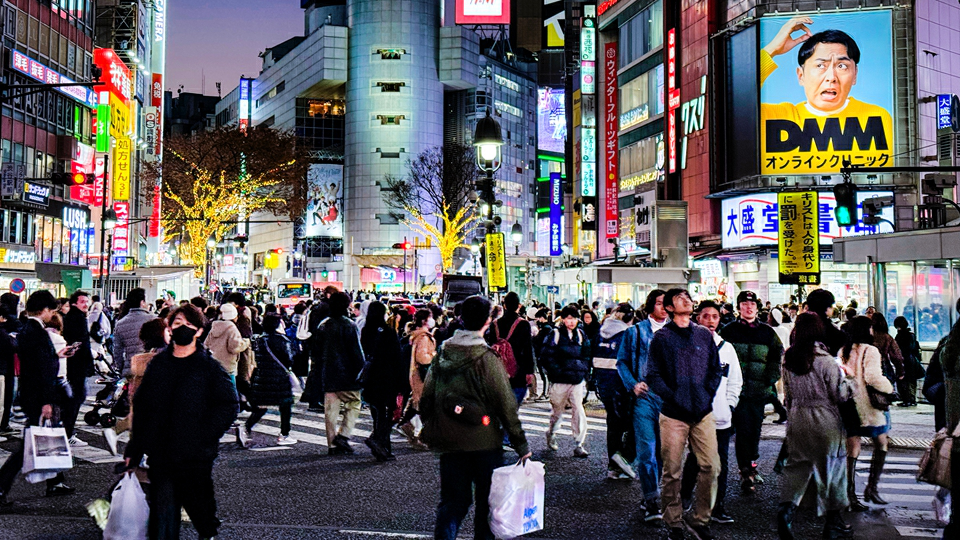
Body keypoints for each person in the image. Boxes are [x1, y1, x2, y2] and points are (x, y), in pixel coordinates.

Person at [418, 295, 530, 540]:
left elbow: (426, 398)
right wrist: (520, 444)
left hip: (449, 442)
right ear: (488, 321)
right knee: (485, 503)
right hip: (484, 442)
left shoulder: (443, 354)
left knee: (452, 502)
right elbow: (506, 404)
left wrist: (433, 426)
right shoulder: (486, 359)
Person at [124, 304, 238, 540]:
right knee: (163, 511)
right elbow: (143, 407)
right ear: (168, 328)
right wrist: (134, 448)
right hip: (161, 450)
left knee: (198, 503)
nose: (182, 329)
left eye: (188, 325)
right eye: (177, 324)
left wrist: (206, 434)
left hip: (195, 453)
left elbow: (228, 405)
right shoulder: (158, 364)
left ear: (198, 331)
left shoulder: (209, 367)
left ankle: (207, 532)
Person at [760, 18, 893, 174]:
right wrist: (771, 50)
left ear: (855, 75)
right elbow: (735, 97)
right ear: (801, 75)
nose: (831, 77)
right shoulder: (771, 117)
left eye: (842, 66)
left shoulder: (876, 117)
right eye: (820, 65)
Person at [646, 289, 722, 540]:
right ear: (668, 308)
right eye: (679, 298)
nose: (686, 299)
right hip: (673, 415)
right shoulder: (662, 338)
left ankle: (700, 518)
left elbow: (714, 369)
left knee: (711, 465)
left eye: (688, 296)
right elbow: (653, 374)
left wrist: (707, 395)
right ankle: (674, 521)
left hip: (703, 412)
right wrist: (673, 396)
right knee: (672, 471)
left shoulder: (703, 334)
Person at [777, 313, 853, 540]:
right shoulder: (826, 361)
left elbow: (787, 396)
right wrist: (850, 381)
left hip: (798, 419)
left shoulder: (789, 359)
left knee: (796, 468)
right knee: (832, 471)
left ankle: (786, 511)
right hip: (825, 420)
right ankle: (832, 525)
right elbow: (839, 394)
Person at [0, 290, 76, 506]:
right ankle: (1, 486)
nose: (52, 314)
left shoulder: (27, 329)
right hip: (38, 395)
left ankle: (55, 481)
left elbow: (36, 362)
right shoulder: (37, 332)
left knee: (44, 436)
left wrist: (57, 355)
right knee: (31, 442)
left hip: (31, 393)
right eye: (51, 310)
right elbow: (41, 369)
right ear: (43, 310)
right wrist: (47, 401)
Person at [680, 300, 743, 524]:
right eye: (705, 316)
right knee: (696, 460)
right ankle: (685, 496)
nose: (710, 321)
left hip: (721, 417)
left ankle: (717, 506)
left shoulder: (727, 348)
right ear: (697, 318)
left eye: (715, 317)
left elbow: (735, 381)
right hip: (695, 416)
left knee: (721, 464)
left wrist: (730, 405)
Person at [720, 290, 784, 494]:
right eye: (744, 304)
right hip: (736, 391)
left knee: (754, 429)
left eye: (752, 304)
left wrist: (771, 378)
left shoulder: (767, 332)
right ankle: (745, 470)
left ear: (757, 307)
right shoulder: (728, 331)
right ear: (739, 307)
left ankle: (751, 463)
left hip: (758, 390)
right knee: (741, 431)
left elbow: (777, 356)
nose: (749, 308)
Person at [616, 289, 668, 521]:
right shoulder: (635, 332)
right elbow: (622, 362)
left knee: (666, 453)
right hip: (644, 399)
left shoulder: (677, 332)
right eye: (659, 303)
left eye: (667, 303)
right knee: (647, 450)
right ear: (650, 306)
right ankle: (651, 500)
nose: (663, 307)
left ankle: (656, 493)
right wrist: (633, 384)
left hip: (670, 401)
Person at [840, 316, 895, 511]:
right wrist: (889, 388)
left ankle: (849, 495)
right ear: (866, 330)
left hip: (848, 405)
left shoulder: (844, 350)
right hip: (868, 407)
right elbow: (873, 377)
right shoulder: (870, 350)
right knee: (881, 443)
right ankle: (871, 488)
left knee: (852, 449)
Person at [103, 318, 170, 456]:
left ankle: (131, 448)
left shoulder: (147, 352)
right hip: (154, 394)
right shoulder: (164, 354)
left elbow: (118, 349)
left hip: (137, 387)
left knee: (138, 419)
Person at [316, 291, 365, 455]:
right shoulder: (350, 325)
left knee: (331, 410)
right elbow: (356, 353)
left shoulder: (323, 325)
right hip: (347, 374)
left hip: (328, 373)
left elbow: (316, 351)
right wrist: (361, 371)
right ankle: (343, 435)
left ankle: (332, 444)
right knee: (354, 404)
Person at [540, 304, 592, 458]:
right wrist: (557, 371)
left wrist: (583, 370)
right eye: (568, 318)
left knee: (578, 410)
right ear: (563, 319)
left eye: (574, 318)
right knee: (557, 411)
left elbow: (587, 355)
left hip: (576, 380)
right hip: (560, 380)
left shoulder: (581, 335)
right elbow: (546, 356)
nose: (571, 322)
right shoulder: (555, 334)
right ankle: (551, 433)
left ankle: (578, 443)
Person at [593, 302, 637, 480]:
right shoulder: (627, 334)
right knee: (632, 424)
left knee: (613, 424)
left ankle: (613, 467)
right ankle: (623, 458)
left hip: (603, 384)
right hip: (621, 385)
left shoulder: (601, 332)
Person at [360, 301, 408, 461]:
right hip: (387, 377)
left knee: (377, 411)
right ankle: (378, 439)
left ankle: (383, 448)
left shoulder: (366, 331)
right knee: (391, 413)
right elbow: (397, 357)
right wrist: (402, 382)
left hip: (371, 377)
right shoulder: (388, 332)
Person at [243, 313, 297, 447]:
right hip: (279, 379)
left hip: (262, 377)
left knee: (261, 406)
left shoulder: (259, 339)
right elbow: (289, 358)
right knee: (285, 407)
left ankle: (246, 427)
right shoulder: (282, 340)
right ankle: (284, 434)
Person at [399, 309, 438, 444]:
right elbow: (422, 357)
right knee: (426, 405)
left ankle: (407, 423)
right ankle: (422, 434)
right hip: (423, 375)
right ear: (424, 321)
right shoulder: (423, 337)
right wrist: (434, 356)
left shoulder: (417, 335)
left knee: (417, 402)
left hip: (416, 375)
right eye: (430, 317)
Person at [61, 290, 94, 448]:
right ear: (74, 303)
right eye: (82, 301)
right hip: (77, 366)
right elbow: (83, 344)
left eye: (87, 301)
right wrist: (89, 365)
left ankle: (67, 431)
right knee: (76, 398)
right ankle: (68, 433)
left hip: (73, 365)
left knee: (75, 398)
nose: (86, 304)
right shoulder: (77, 318)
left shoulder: (74, 317)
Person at [112, 288, 157, 379]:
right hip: (150, 367)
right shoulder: (153, 320)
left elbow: (117, 351)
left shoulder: (120, 323)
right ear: (142, 302)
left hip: (130, 368)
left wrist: (121, 368)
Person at [205, 303, 249, 385]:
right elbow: (234, 347)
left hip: (214, 364)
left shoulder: (214, 326)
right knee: (231, 391)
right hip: (228, 366)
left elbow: (206, 344)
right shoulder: (232, 328)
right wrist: (246, 342)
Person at [893, 316, 922, 407]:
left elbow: (898, 349)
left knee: (903, 380)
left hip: (904, 360)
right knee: (912, 380)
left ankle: (906, 399)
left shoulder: (899, 336)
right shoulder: (911, 335)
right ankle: (912, 399)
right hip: (913, 360)